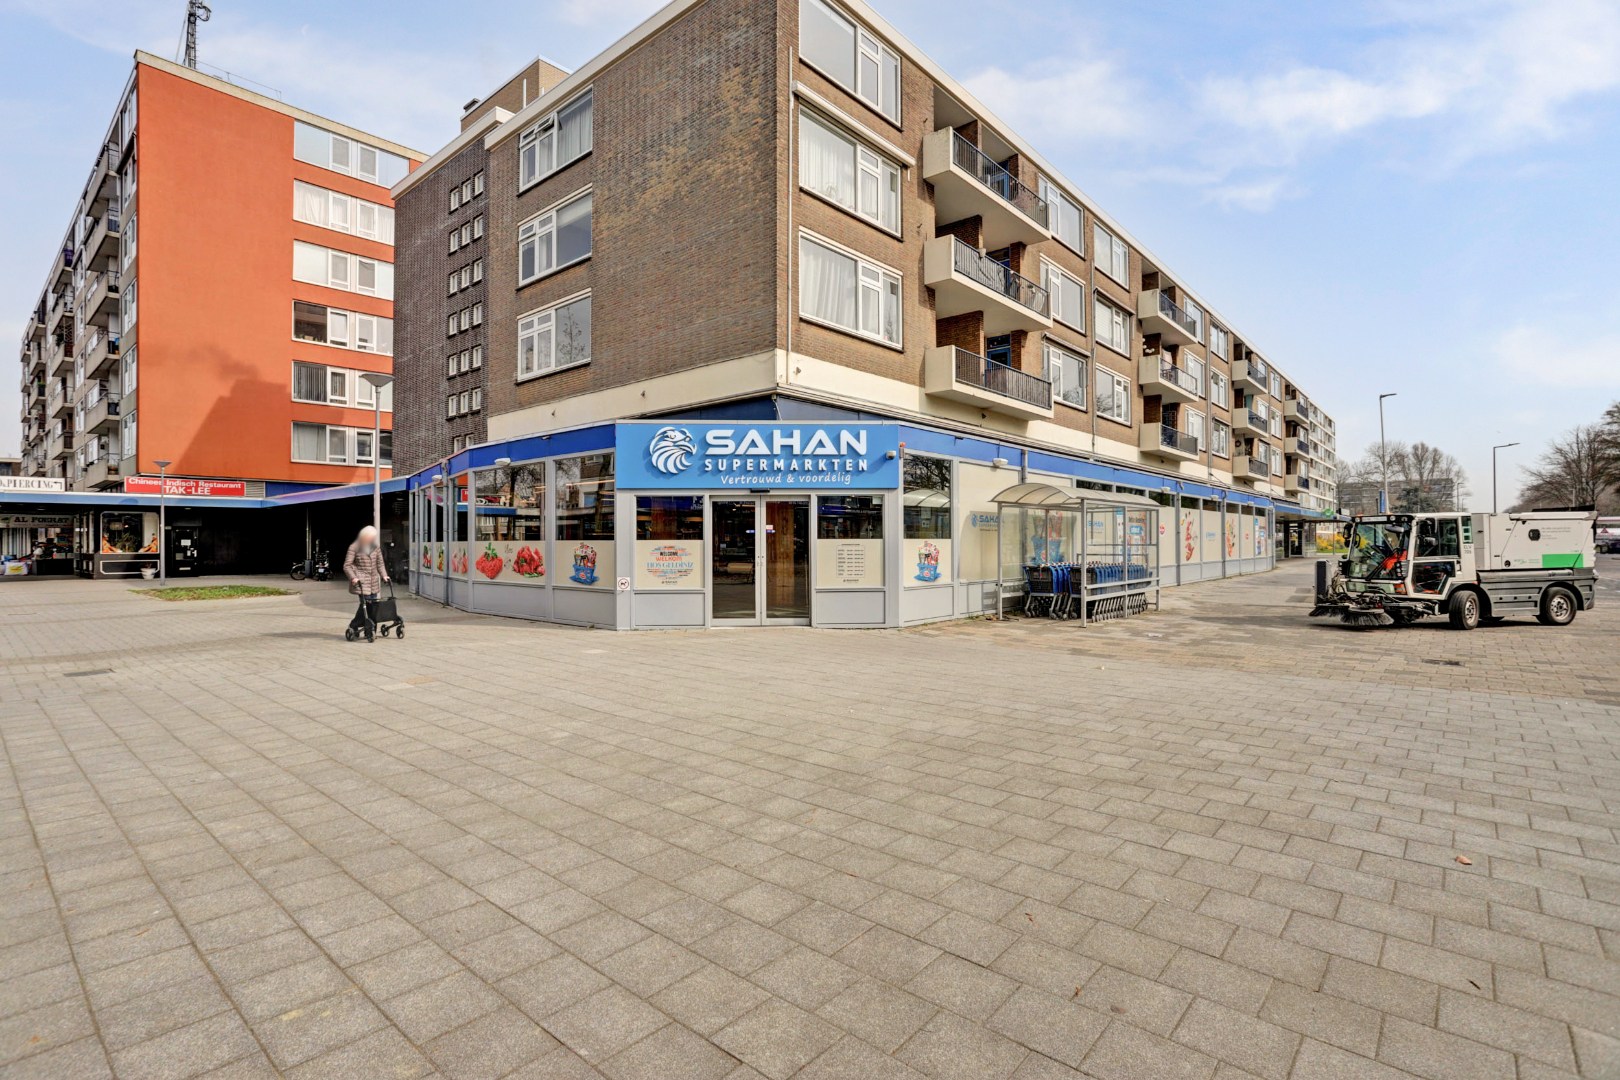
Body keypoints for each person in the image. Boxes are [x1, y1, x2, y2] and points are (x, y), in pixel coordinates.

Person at [343, 525, 389, 642]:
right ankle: (358, 626)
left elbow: (380, 564)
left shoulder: (376, 547)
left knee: (372, 606)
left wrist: (384, 575)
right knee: (366, 605)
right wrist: (353, 578)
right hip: (361, 582)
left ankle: (369, 629)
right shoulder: (354, 547)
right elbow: (347, 565)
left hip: (373, 582)